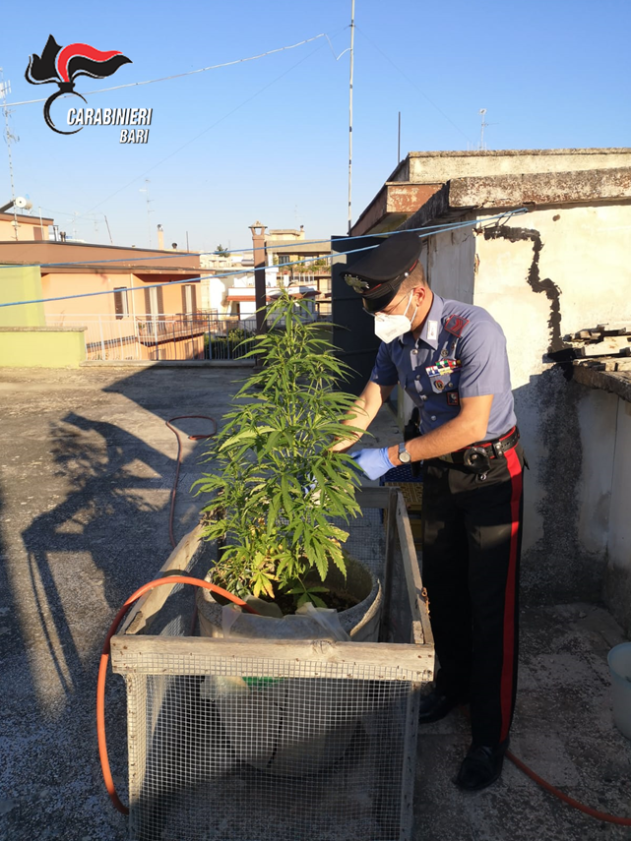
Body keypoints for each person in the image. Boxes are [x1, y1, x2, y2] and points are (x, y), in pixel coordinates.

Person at [333, 230, 525, 791]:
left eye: (384, 304)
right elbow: (369, 400)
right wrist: (326, 450)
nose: (378, 316)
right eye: (371, 307)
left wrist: (393, 454)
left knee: (492, 609)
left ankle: (490, 737)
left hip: (490, 476)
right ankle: (451, 686)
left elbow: (470, 424)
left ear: (415, 292)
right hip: (441, 473)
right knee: (442, 591)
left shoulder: (474, 331)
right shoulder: (396, 341)